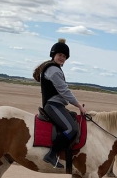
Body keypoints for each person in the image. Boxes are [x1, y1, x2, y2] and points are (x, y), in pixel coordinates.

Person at [33, 38, 86, 168]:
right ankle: (52, 154)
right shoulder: (53, 70)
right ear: (53, 55)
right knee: (71, 129)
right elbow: (64, 90)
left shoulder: (54, 68)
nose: (62, 58)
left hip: (57, 105)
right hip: (53, 105)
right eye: (59, 55)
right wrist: (79, 105)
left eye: (64, 56)